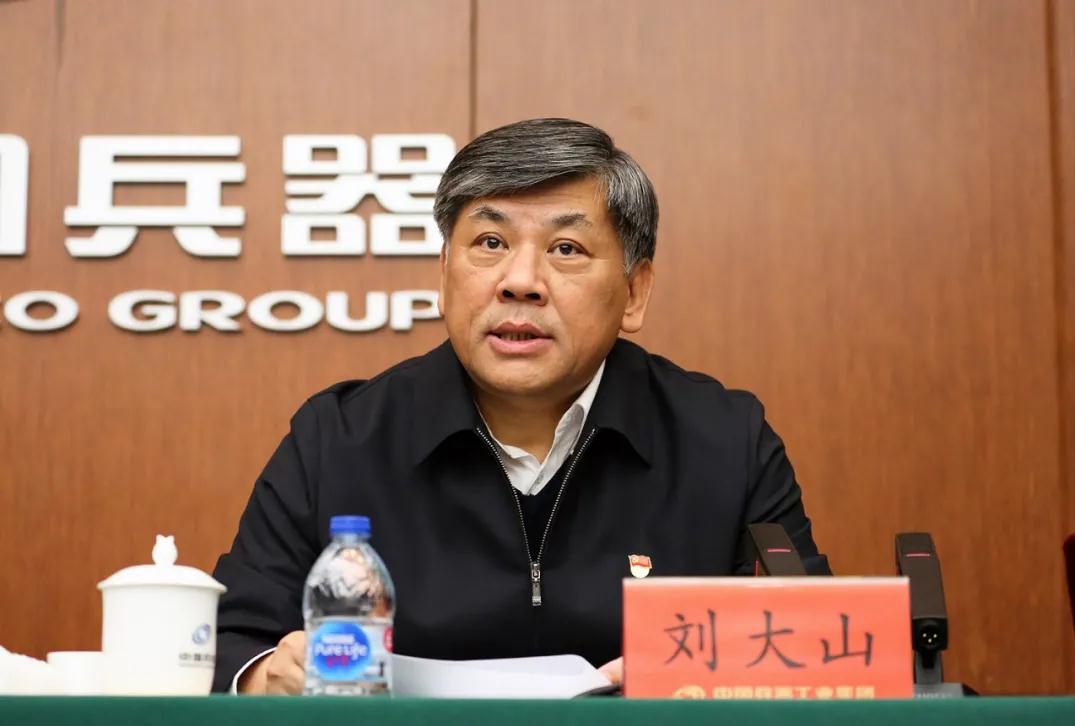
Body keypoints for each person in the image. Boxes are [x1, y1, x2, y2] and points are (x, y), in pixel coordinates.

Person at [211, 118, 830, 694]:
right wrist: (269, 675)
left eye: (567, 249)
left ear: (634, 292)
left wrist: (709, 668)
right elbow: (231, 644)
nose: (520, 281)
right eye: (490, 242)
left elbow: (819, 646)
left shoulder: (725, 441)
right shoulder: (340, 439)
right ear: (444, 272)